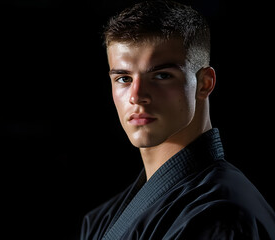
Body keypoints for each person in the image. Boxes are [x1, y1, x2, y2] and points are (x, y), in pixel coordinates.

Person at [80, 0, 275, 239]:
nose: (137, 96)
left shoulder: (221, 214)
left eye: (161, 75)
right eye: (124, 78)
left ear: (205, 83)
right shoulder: (103, 219)